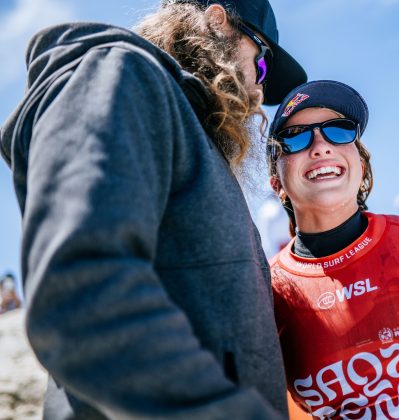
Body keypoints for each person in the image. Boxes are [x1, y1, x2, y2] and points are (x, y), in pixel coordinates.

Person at [0, 0, 306, 418]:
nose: (258, 94)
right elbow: (81, 294)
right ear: (217, 22)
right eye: (262, 66)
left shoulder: (195, 140)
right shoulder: (121, 75)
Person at [266, 80, 399, 418]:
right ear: (277, 184)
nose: (321, 146)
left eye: (339, 130)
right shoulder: (267, 292)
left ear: (361, 165)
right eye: (296, 137)